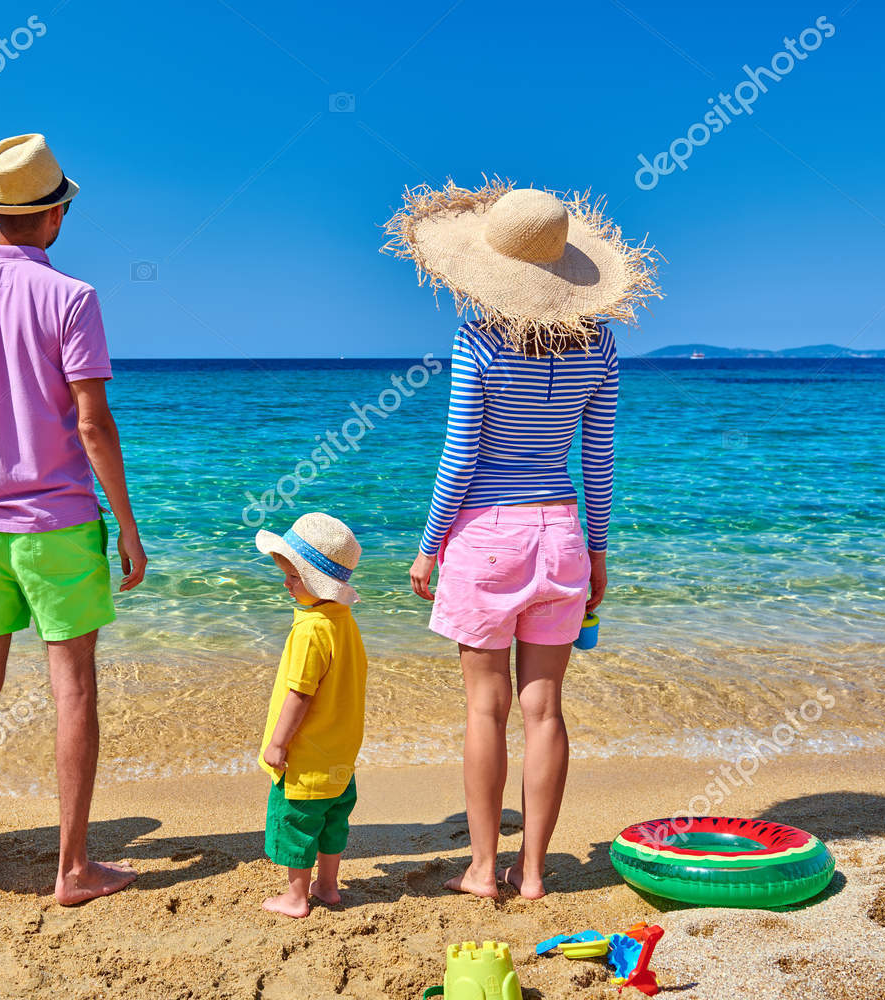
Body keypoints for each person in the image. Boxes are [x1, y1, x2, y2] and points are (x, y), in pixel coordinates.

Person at [383, 180, 659, 899]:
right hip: (562, 534)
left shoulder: (477, 336)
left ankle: (483, 867)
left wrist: (427, 543)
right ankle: (533, 871)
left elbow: (461, 455)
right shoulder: (602, 344)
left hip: (487, 539)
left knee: (486, 708)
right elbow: (596, 458)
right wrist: (598, 551)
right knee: (545, 710)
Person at [0, 133, 147, 903]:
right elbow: (92, 425)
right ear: (53, 216)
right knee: (73, 689)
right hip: (60, 526)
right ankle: (73, 867)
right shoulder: (72, 298)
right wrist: (129, 527)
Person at [252, 513, 368, 918]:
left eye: (294, 576)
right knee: (333, 822)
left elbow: (300, 693)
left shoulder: (311, 630)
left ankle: (296, 896)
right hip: (340, 753)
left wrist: (278, 744)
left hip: (305, 756)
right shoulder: (343, 622)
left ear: (318, 582)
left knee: (296, 823)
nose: (286, 582)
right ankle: (328, 886)